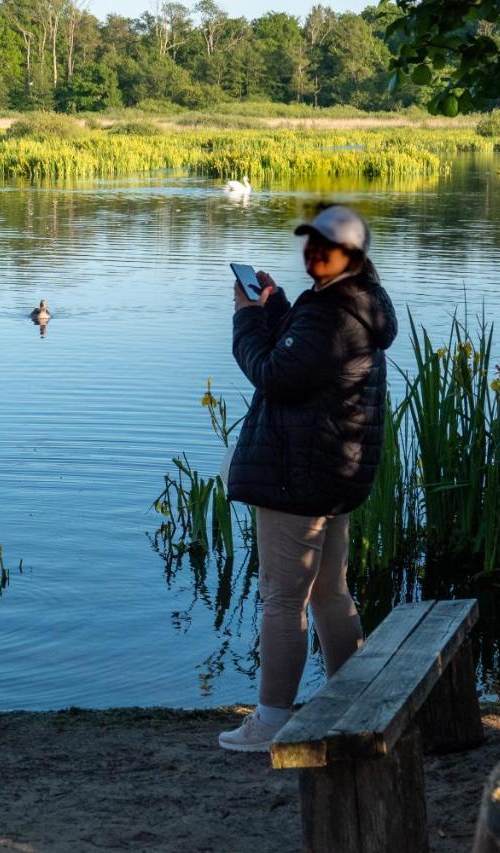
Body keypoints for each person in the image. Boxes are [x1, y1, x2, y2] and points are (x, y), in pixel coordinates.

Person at [219, 205, 397, 752]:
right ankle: (354, 700)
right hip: (332, 469)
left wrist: (247, 317)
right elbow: (298, 360)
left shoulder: (330, 313)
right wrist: (273, 309)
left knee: (281, 597)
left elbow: (275, 374)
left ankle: (271, 721)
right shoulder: (353, 303)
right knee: (327, 590)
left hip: (298, 474)